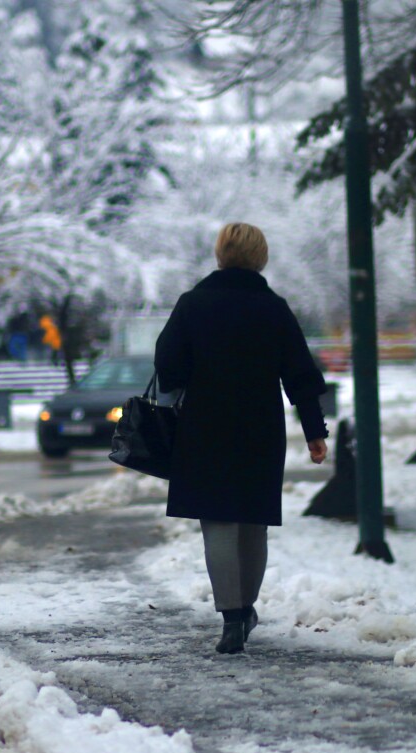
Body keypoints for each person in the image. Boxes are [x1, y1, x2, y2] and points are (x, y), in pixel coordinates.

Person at [154, 222, 329, 655]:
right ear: (260, 257)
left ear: (220, 254)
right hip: (260, 429)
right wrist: (314, 431)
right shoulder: (274, 309)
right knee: (254, 523)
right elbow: (300, 375)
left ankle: (231, 618)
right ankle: (247, 608)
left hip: (204, 428)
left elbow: (168, 364)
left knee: (218, 523)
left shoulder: (193, 304)